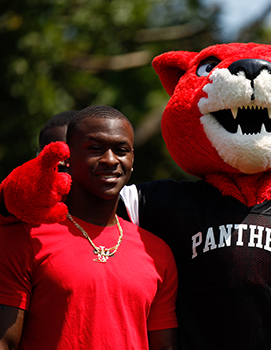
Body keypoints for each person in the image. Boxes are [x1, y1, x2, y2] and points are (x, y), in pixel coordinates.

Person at [0, 105, 179, 350]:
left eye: (121, 150)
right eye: (95, 149)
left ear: (133, 159)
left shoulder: (156, 251)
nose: (110, 159)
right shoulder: (24, 236)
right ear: (68, 159)